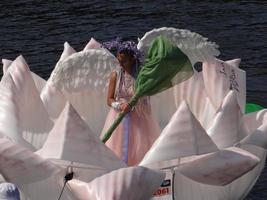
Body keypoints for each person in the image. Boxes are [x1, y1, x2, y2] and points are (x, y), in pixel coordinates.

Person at [101, 39, 161, 166]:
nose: (120, 64)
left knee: (140, 148)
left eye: (124, 61)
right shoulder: (115, 75)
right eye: (119, 60)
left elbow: (148, 95)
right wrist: (119, 105)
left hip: (139, 117)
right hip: (119, 116)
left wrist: (137, 102)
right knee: (117, 147)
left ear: (133, 59)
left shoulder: (142, 75)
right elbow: (109, 99)